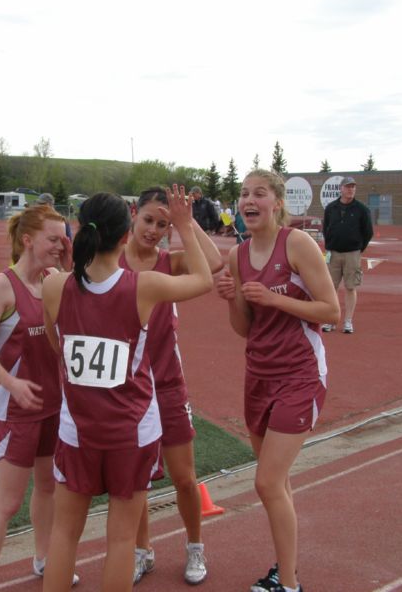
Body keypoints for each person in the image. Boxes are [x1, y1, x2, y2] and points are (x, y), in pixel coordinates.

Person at [41, 188, 213, 592]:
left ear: (80, 230)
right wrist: (185, 226)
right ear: (125, 235)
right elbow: (205, 278)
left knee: (64, 535)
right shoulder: (144, 287)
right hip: (131, 433)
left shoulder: (54, 288)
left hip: (77, 430)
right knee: (120, 538)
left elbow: (57, 346)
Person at [215, 169, 339, 592]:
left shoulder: (298, 244)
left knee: (266, 482)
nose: (250, 200)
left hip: (300, 374)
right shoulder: (238, 255)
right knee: (278, 484)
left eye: (260, 193)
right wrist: (234, 298)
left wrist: (276, 299)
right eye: (244, 193)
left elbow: (331, 311)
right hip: (259, 375)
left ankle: (289, 586)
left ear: (278, 203)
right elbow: (244, 329)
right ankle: (285, 571)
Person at [120, 187, 223, 586]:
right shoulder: (113, 259)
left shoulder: (168, 261)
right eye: (149, 220)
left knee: (184, 475)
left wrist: (186, 222)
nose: (154, 230)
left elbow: (213, 263)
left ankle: (195, 546)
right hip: (126, 389)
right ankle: (142, 552)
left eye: (162, 225)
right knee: (136, 479)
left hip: (166, 383)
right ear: (133, 214)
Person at [0, 203, 74, 592]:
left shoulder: (53, 279)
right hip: (16, 410)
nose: (60, 245)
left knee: (48, 488)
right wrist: (11, 384)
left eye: (64, 238)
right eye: (53, 239)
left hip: (54, 407)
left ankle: (44, 558)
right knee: (7, 502)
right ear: (28, 240)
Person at [321, 176, 373, 334]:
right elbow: (326, 229)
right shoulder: (331, 208)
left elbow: (368, 232)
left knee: (350, 287)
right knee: (331, 287)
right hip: (333, 253)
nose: (351, 189)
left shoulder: (362, 209)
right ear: (341, 189)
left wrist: (358, 248)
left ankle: (348, 321)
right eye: (348, 186)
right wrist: (330, 245)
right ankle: (331, 320)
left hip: (352, 254)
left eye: (353, 187)